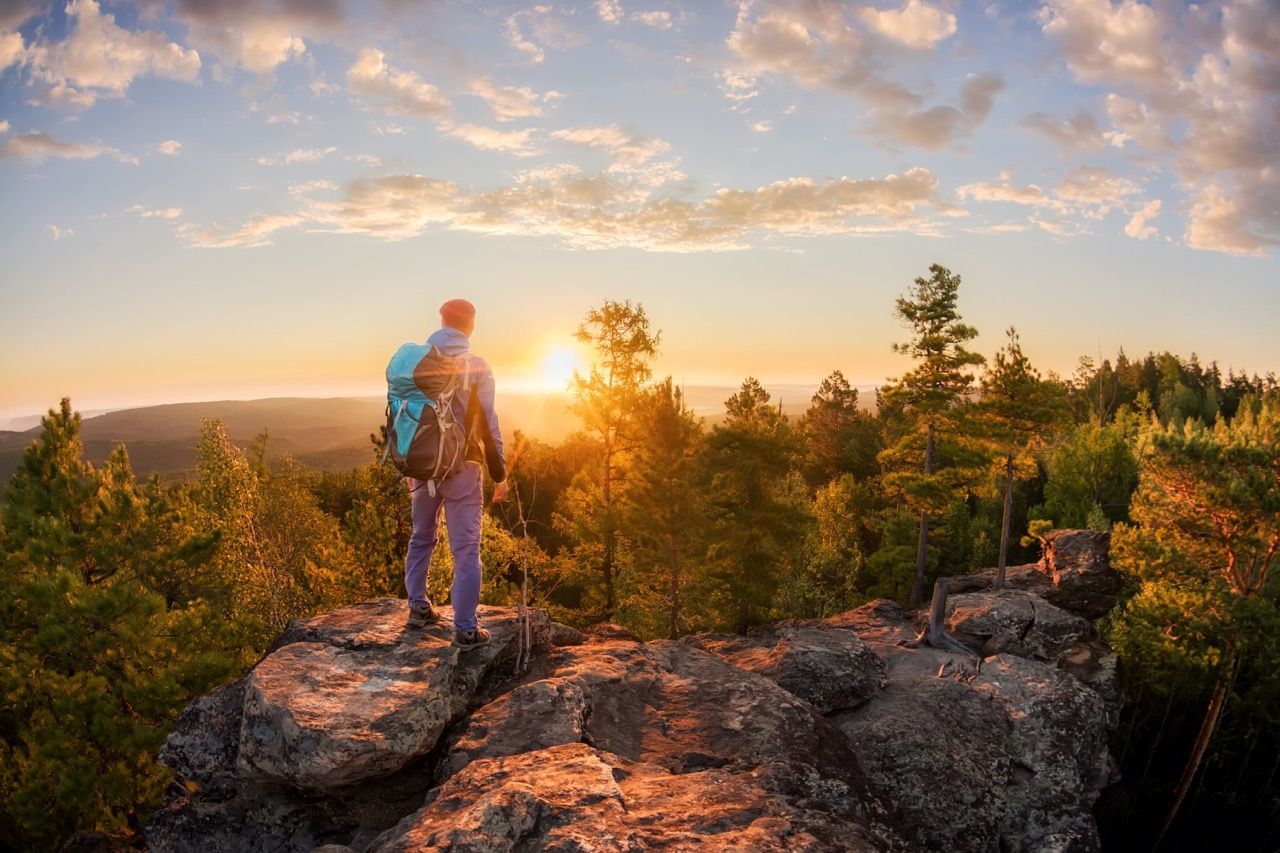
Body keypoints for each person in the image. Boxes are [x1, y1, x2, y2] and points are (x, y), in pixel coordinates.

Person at [404, 298, 509, 649]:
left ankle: (418, 607)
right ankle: (465, 629)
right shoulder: (477, 367)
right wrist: (500, 473)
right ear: (471, 326)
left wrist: (410, 463)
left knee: (421, 536)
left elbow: (407, 415)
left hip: (422, 466)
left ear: (442, 320)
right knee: (465, 549)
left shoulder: (420, 363)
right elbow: (488, 423)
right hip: (463, 468)